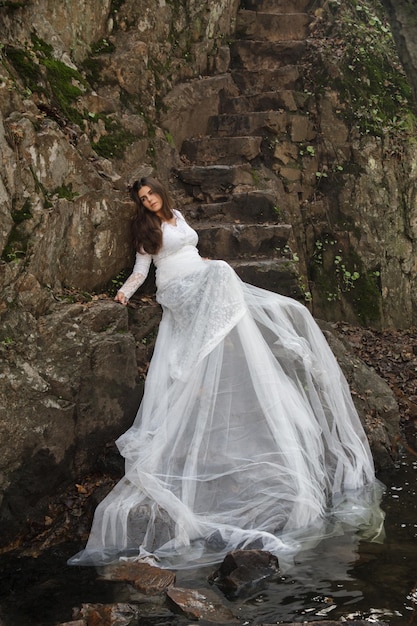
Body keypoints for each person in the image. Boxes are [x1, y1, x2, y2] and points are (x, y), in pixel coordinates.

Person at [68, 176, 384, 570]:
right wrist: (124, 293)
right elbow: (141, 269)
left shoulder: (178, 216)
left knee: (221, 269)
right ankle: (217, 336)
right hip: (175, 288)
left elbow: (195, 254)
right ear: (139, 204)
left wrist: (208, 264)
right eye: (142, 199)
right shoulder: (145, 230)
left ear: (161, 193)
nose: (149, 201)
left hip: (198, 275)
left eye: (152, 194)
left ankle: (226, 332)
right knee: (221, 274)